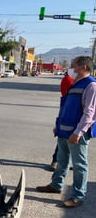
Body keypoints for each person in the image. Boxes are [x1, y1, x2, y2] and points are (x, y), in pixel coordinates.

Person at [37, 56, 96, 208]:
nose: (72, 68)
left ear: (83, 67)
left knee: (79, 165)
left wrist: (79, 132)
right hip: (64, 130)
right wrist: (58, 124)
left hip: (77, 133)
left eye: (74, 65)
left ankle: (77, 196)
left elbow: (89, 113)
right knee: (62, 161)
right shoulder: (75, 83)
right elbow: (65, 106)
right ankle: (56, 185)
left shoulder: (91, 85)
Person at [50, 71, 74, 170]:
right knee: (64, 137)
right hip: (69, 109)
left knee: (71, 138)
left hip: (71, 110)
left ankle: (67, 161)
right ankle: (55, 160)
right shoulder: (69, 80)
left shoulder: (73, 80)